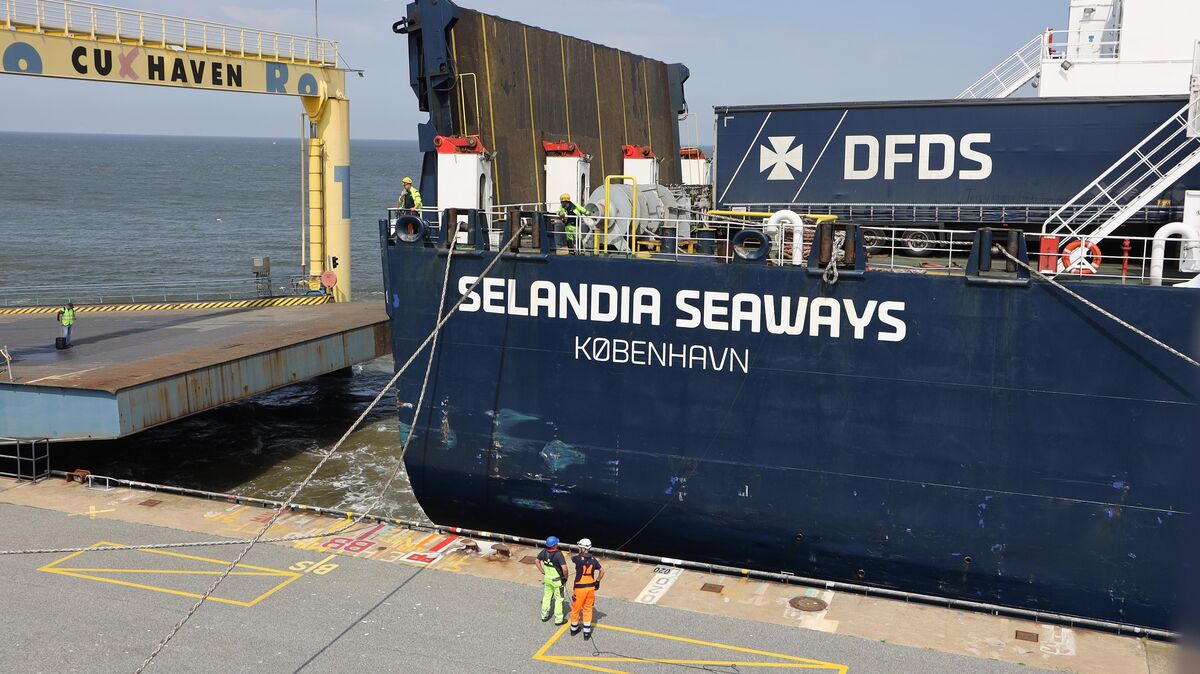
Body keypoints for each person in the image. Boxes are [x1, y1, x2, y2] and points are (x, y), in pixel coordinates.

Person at [568, 538, 604, 640]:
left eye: (580, 547)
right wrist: (597, 581)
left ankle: (574, 629)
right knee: (588, 609)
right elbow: (602, 571)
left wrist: (579, 553)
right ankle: (587, 632)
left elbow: (572, 558)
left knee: (576, 609)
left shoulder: (577, 558)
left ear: (583, 548)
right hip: (590, 587)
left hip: (579, 588)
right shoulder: (594, 560)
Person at [535, 536, 569, 625]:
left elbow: (536, 561)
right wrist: (565, 578)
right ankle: (558, 619)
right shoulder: (558, 554)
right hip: (558, 581)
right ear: (554, 545)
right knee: (559, 599)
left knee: (547, 597)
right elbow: (564, 569)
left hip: (547, 579)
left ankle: (544, 615)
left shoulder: (544, 552)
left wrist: (543, 572)